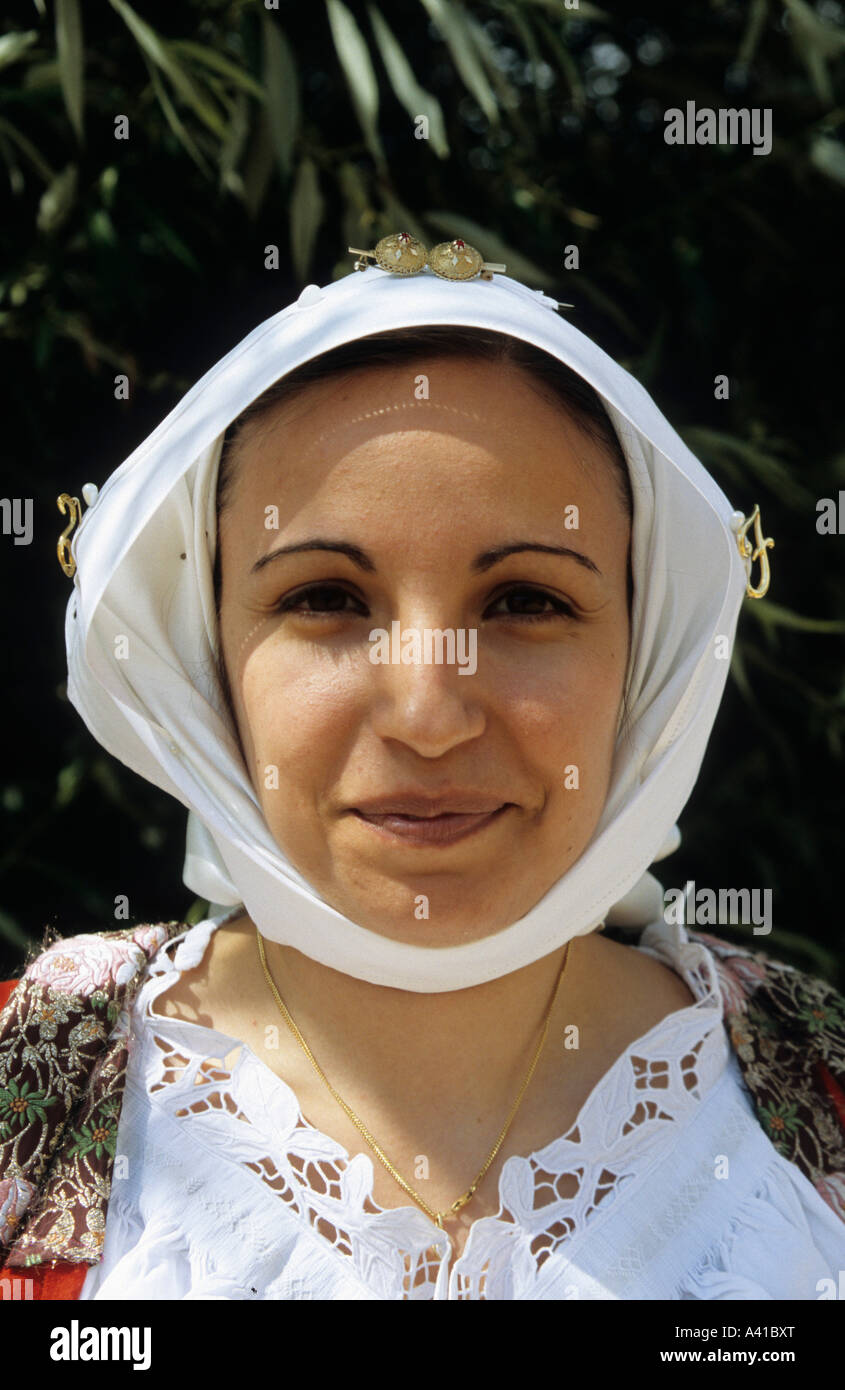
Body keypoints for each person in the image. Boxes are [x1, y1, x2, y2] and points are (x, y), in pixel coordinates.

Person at [2, 236, 844, 1300]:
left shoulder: (812, 1092)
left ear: (647, 651)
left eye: (524, 602)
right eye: (325, 600)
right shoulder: (31, 1079)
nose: (427, 714)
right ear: (203, 656)